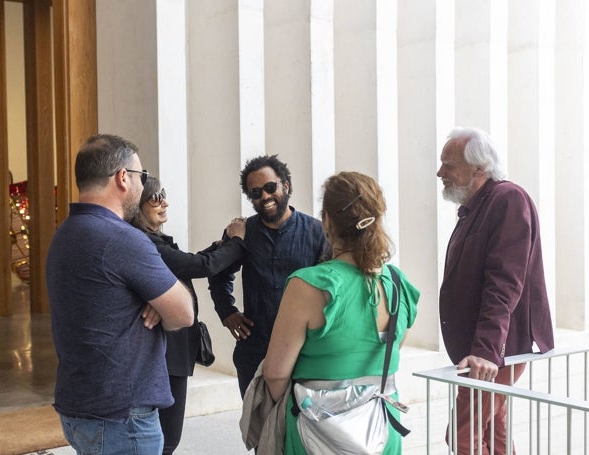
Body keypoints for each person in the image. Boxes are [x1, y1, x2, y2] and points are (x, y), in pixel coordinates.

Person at [46, 134, 194, 455]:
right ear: (122, 178)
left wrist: (151, 296)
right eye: (142, 176)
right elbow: (183, 312)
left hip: (81, 406)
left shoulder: (66, 234)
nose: (143, 187)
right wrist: (155, 296)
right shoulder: (124, 240)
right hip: (122, 416)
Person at [262, 171, 419, 454]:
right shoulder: (397, 283)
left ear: (326, 220)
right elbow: (391, 349)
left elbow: (275, 374)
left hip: (314, 428)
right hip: (381, 428)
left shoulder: (307, 285)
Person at [437, 127, 555, 454]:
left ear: (479, 168)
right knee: (493, 429)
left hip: (497, 351)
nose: (440, 172)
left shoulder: (508, 200)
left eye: (449, 165)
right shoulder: (479, 205)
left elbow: (504, 283)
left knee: (463, 435)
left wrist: (487, 351)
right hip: (487, 350)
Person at [130, 176, 247, 454]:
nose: (165, 202)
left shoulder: (155, 241)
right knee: (167, 438)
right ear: (138, 207)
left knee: (166, 437)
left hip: (171, 350)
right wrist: (238, 242)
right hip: (165, 352)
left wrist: (224, 244)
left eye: (164, 194)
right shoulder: (148, 243)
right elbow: (200, 266)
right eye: (156, 197)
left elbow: (189, 263)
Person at [208, 154, 330, 397]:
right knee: (256, 429)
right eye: (255, 193)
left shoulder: (316, 232)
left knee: (298, 428)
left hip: (304, 352)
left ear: (286, 185)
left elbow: (331, 287)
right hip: (255, 350)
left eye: (270, 187)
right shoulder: (243, 233)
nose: (264, 196)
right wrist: (227, 312)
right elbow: (218, 273)